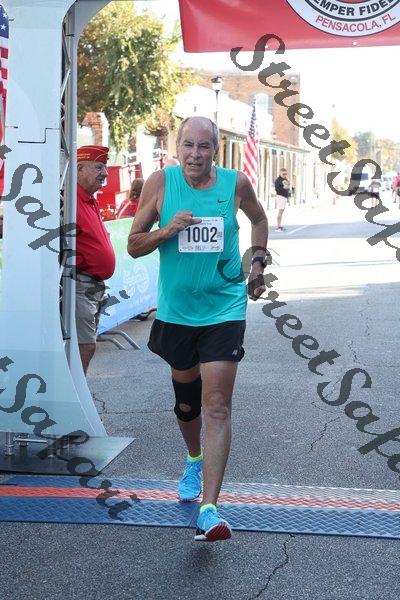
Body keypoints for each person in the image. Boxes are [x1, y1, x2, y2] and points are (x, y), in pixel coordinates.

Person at [127, 116, 269, 542]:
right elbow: (133, 244)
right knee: (187, 403)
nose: (195, 154)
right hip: (177, 313)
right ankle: (193, 458)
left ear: (215, 150)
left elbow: (259, 220)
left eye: (203, 146)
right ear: (178, 147)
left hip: (224, 308)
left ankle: (209, 508)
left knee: (217, 406)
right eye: (188, 145)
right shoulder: (161, 183)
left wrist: (257, 263)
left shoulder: (235, 184)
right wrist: (167, 230)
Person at [76, 145, 116, 375]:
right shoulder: (69, 201)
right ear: (80, 169)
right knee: (84, 345)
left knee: (86, 345)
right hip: (80, 285)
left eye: (105, 168)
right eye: (99, 168)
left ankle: (77, 392)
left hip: (92, 286)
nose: (105, 173)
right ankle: (75, 395)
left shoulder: (89, 199)